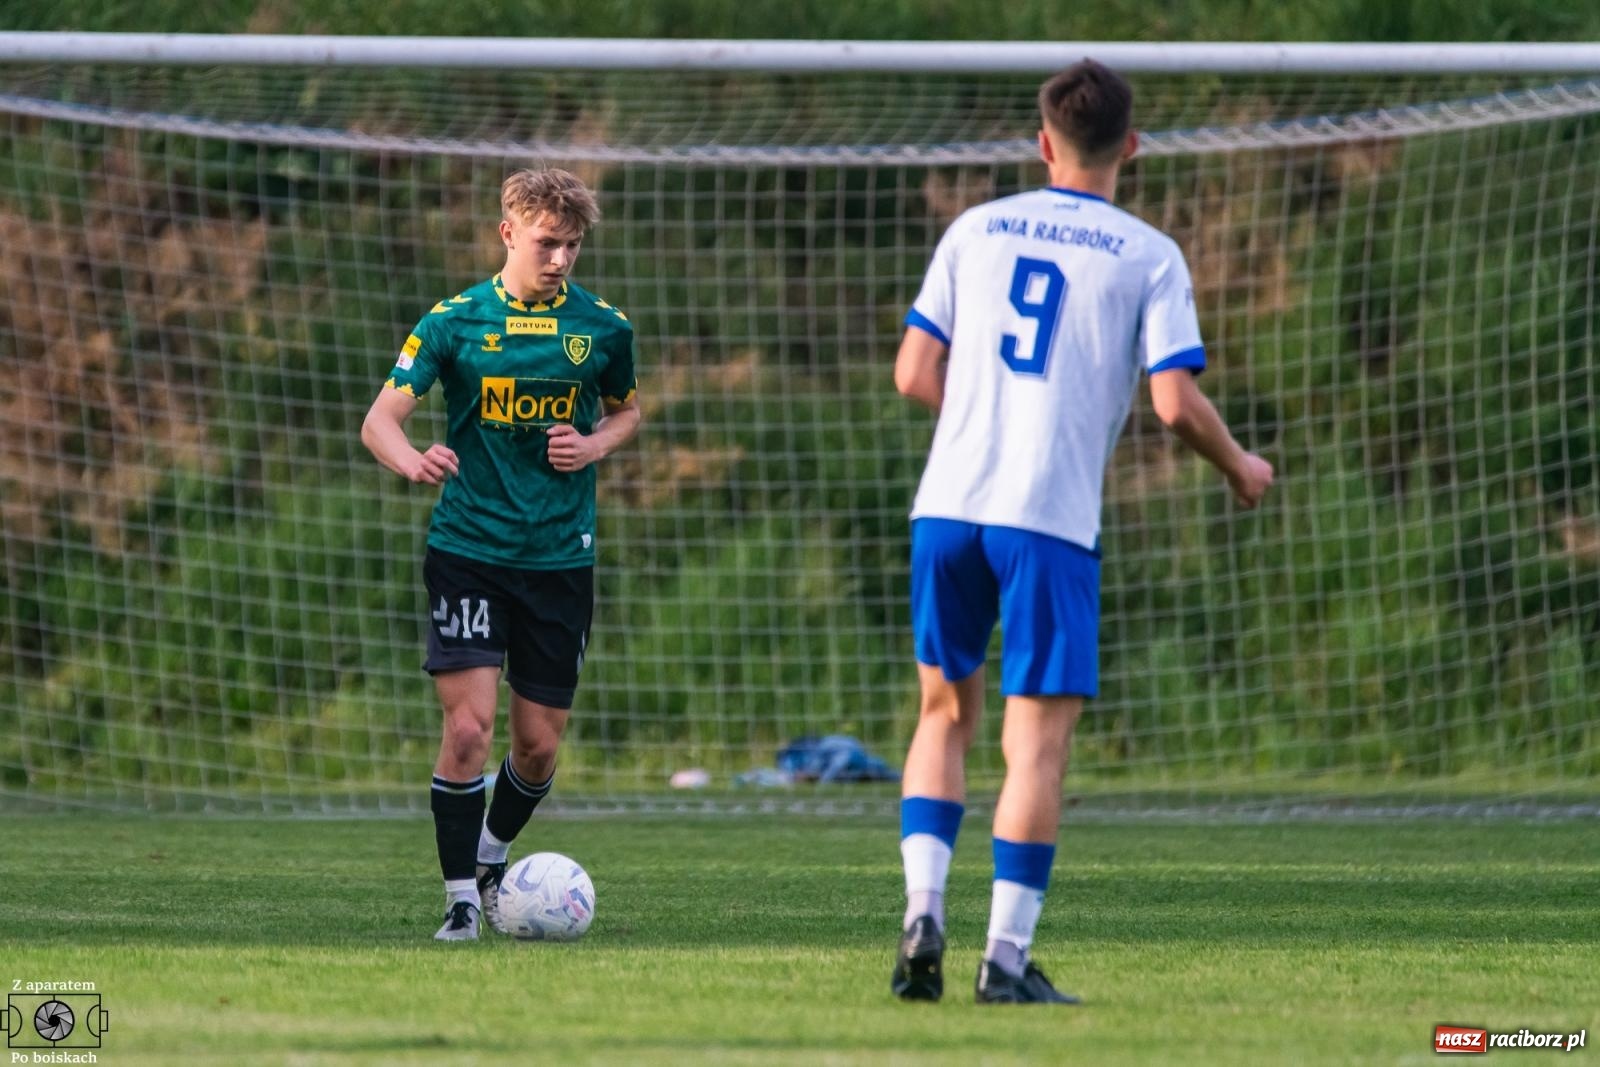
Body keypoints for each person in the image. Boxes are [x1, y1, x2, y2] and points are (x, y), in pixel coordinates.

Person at [889, 60, 1274, 1003]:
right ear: (1131, 146)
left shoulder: (975, 229)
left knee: (943, 714)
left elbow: (913, 372)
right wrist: (1240, 464)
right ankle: (1004, 960)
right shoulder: (1149, 254)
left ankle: (922, 912)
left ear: (1042, 142)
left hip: (948, 506)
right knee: (1035, 747)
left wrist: (982, 417)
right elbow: (1174, 403)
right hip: (1047, 520)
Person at [361, 168, 641, 941]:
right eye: (548, 243)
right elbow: (380, 420)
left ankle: (490, 857)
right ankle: (460, 899)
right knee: (467, 731)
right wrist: (411, 459)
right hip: (469, 549)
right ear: (508, 233)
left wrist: (593, 444)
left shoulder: (603, 328)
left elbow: (627, 412)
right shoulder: (454, 322)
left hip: (560, 557)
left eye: (573, 246)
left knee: (538, 746)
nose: (561, 258)